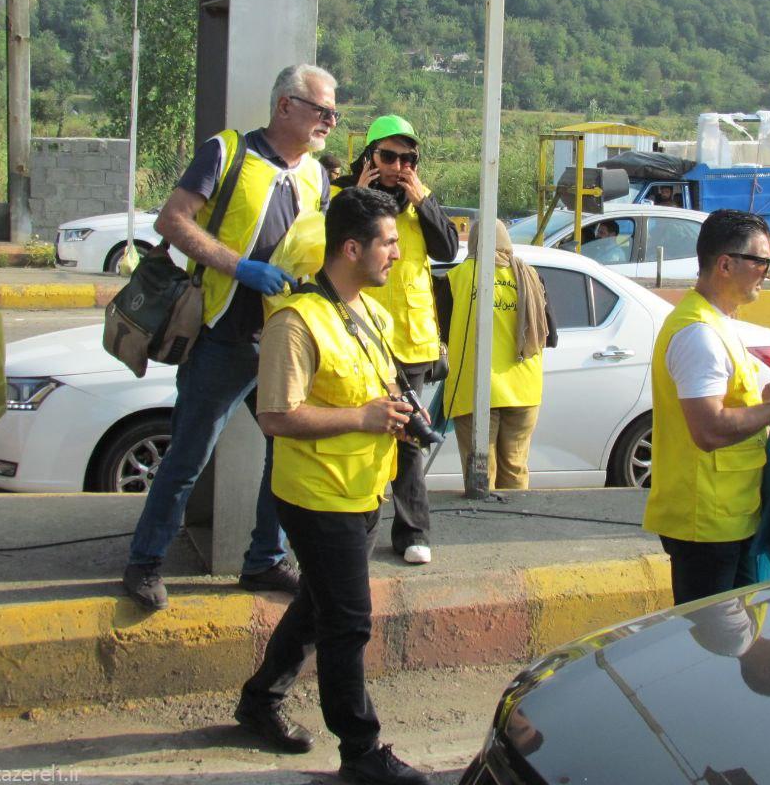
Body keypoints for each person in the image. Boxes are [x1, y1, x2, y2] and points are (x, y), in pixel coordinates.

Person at [122, 64, 335, 611]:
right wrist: (240, 268)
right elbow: (173, 221)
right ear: (285, 105)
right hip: (222, 335)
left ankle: (265, 560)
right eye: (321, 111)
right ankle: (145, 562)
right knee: (188, 455)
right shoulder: (227, 152)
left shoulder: (316, 176)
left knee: (285, 453)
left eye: (334, 113)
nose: (329, 123)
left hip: (281, 339)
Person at [237, 187, 431, 785]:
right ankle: (361, 751)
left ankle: (259, 699)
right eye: (389, 243)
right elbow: (275, 416)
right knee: (348, 622)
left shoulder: (368, 311)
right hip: (319, 498)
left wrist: (395, 414)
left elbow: (370, 389)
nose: (397, 254)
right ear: (352, 248)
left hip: (363, 489)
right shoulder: (296, 322)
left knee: (319, 603)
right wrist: (363, 418)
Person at [643, 209, 770, 606]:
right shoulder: (699, 334)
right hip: (705, 521)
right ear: (726, 264)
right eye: (762, 262)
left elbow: (729, 405)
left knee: (734, 638)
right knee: (712, 646)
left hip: (729, 513)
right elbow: (709, 430)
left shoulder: (716, 322)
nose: (769, 273)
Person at [332, 115, 459, 565]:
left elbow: (448, 249)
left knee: (409, 440)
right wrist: (357, 194)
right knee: (361, 435)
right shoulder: (343, 195)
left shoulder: (420, 203)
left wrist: (422, 197)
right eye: (388, 156)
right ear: (369, 156)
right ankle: (353, 531)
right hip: (356, 335)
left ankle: (412, 533)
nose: (398, 166)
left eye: (408, 158)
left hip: (412, 340)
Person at [436, 220, 556, 491]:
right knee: (515, 467)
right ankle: (512, 527)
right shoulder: (531, 276)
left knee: (481, 473)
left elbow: (440, 333)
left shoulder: (457, 278)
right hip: (523, 388)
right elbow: (551, 337)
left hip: (474, 390)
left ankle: (483, 526)